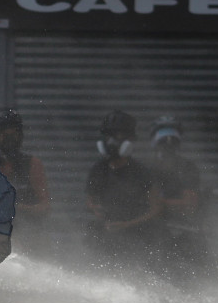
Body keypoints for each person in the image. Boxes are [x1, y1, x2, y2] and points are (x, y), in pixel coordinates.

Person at [84, 110, 163, 269]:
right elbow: (90, 200)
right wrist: (96, 210)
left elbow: (156, 209)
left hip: (138, 237)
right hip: (107, 235)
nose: (112, 142)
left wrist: (127, 224)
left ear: (129, 140)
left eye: (118, 136)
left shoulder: (141, 172)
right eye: (108, 136)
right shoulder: (98, 169)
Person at [147, 116, 211, 281]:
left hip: (185, 232)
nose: (167, 146)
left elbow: (190, 204)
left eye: (171, 142)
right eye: (163, 142)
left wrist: (160, 204)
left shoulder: (187, 168)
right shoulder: (148, 169)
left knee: (191, 280)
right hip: (156, 234)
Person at [0, 108, 50, 256]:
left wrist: (18, 208)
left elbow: (45, 206)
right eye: (4, 132)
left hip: (31, 237)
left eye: (13, 131)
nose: (9, 137)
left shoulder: (32, 164)